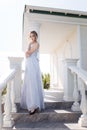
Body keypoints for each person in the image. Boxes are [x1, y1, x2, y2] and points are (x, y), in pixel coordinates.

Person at [20, 31, 45, 115]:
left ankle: (34, 105)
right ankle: (30, 104)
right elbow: (26, 54)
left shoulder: (37, 44)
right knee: (29, 83)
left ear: (36, 36)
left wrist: (27, 52)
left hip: (33, 63)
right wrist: (27, 52)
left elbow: (29, 53)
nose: (32, 37)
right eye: (30, 36)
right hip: (29, 63)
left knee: (33, 82)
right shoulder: (30, 43)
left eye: (33, 36)